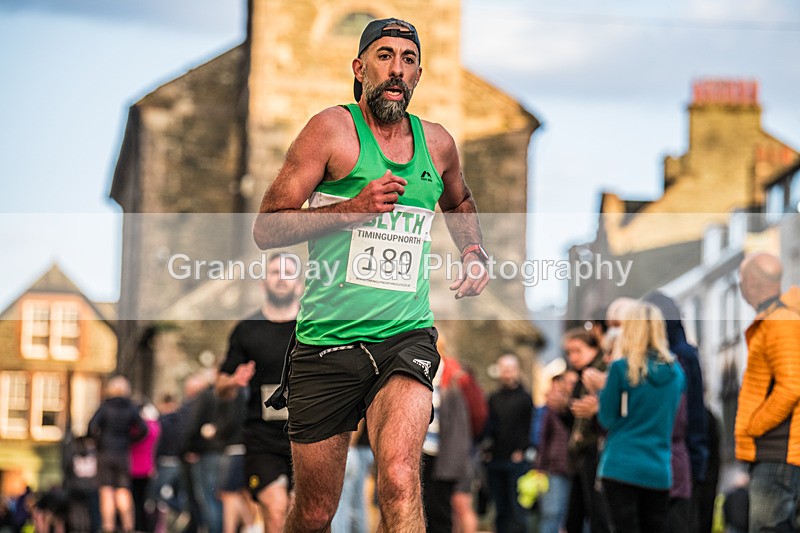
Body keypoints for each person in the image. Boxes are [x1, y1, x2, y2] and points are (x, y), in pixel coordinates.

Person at [253, 17, 489, 532]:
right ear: (359, 68)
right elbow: (266, 228)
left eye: (407, 61)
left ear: (419, 74)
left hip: (405, 336)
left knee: (401, 480)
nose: (396, 70)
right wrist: (354, 208)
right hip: (326, 341)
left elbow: (460, 198)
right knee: (316, 511)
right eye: (384, 57)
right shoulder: (331, 131)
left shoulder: (438, 143)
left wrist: (473, 249)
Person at [215, 253, 302, 533]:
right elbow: (220, 387)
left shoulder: (313, 328)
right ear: (263, 282)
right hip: (262, 437)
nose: (281, 278)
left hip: (308, 435)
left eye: (288, 273)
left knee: (305, 516)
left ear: (299, 285)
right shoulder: (246, 330)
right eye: (275, 272)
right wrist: (233, 382)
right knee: (276, 512)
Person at [597, 302, 686, 533]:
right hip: (658, 468)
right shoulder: (677, 373)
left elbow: (606, 418)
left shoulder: (621, 369)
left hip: (620, 465)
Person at [735, 252, 800, 533]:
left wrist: (754, 426)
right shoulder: (778, 319)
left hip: (778, 452)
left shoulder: (780, 321)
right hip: (778, 452)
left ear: (750, 281)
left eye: (740, 281)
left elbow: (792, 385)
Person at [644, 290, 709, 531]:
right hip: (680, 458)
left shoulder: (676, 359)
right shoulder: (686, 354)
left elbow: (687, 415)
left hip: (670, 458)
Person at [560, 328, 608, 533]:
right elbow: (577, 420)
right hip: (582, 454)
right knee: (575, 516)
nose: (573, 357)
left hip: (595, 452)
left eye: (577, 351)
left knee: (597, 515)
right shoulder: (581, 377)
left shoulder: (598, 372)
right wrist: (564, 408)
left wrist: (597, 408)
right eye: (569, 352)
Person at [88, 375, 148, 533]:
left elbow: (92, 427)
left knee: (106, 490)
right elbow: (143, 429)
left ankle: (108, 526)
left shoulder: (105, 407)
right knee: (123, 490)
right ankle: (129, 526)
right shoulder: (130, 407)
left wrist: (99, 441)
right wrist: (130, 439)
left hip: (106, 452)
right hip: (122, 453)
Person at [484, 354, 532, 533]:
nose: (506, 374)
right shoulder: (493, 398)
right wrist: (487, 449)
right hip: (495, 459)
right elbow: (489, 426)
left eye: (510, 370)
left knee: (516, 509)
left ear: (517, 371)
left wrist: (522, 449)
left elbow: (529, 426)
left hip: (516, 460)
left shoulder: (525, 398)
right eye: (503, 370)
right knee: (500, 508)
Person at [533, 371, 574, 533]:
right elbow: (543, 438)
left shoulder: (580, 405)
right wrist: (540, 466)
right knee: (552, 512)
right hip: (555, 466)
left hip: (576, 467)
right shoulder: (552, 409)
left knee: (571, 515)